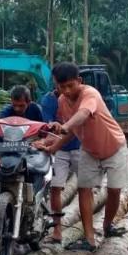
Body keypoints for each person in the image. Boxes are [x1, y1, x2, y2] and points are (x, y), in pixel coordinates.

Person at [37, 62, 128, 251]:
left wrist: (65, 126)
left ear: (79, 81)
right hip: (89, 150)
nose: (66, 91)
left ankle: (107, 226)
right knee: (84, 190)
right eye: (61, 87)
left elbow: (83, 114)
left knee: (114, 191)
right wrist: (52, 146)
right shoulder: (62, 101)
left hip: (115, 147)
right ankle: (89, 239)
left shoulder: (90, 94)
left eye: (70, 86)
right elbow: (72, 131)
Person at [0, 85, 44, 242]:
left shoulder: (36, 110)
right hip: (5, 150)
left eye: (21, 105)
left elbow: (43, 130)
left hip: (27, 149)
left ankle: (35, 206)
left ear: (29, 102)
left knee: (39, 173)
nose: (17, 109)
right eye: (15, 105)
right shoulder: (5, 113)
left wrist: (41, 142)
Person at [39, 84, 81, 243]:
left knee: (85, 188)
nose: (65, 90)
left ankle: (88, 228)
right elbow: (49, 127)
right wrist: (47, 141)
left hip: (80, 146)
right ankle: (57, 231)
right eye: (60, 84)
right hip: (60, 151)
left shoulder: (81, 97)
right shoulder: (48, 101)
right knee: (55, 188)